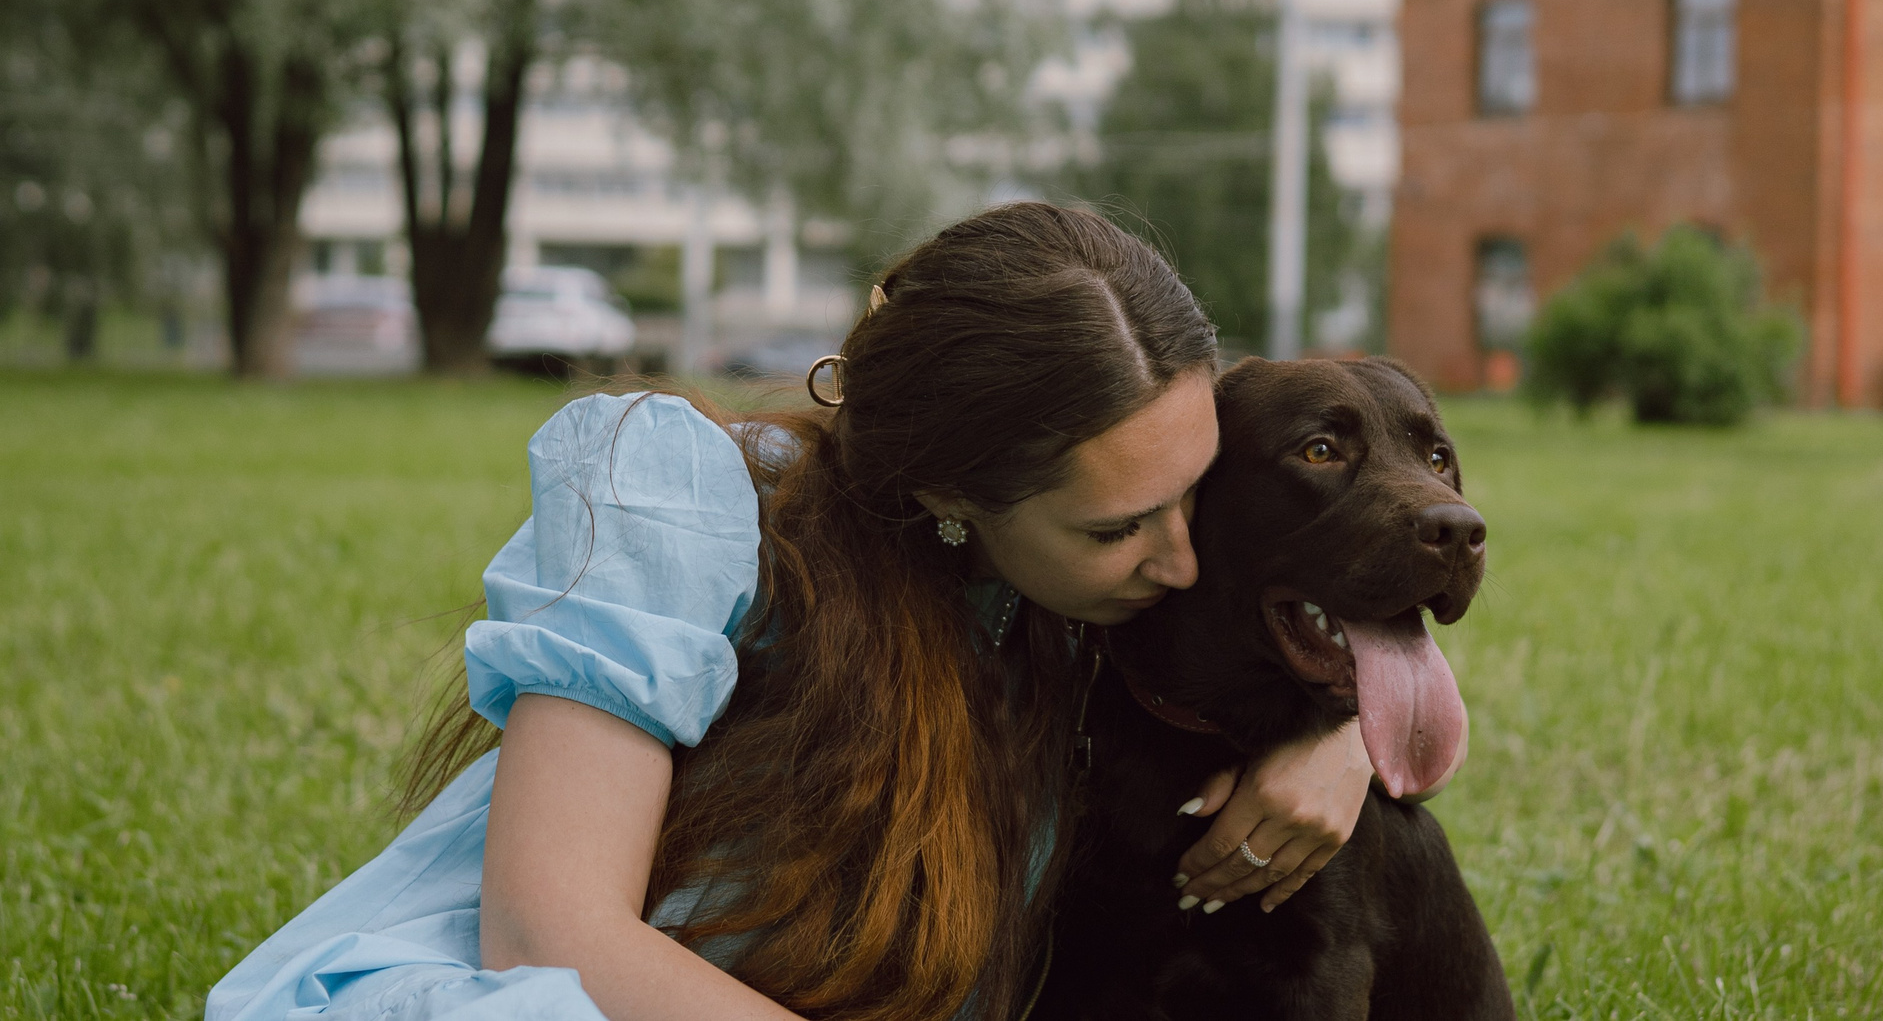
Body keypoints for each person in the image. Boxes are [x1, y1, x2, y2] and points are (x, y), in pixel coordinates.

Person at [207, 203, 1380, 1021]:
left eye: (1194, 496)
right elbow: (546, 929)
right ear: (949, 492)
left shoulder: (1096, 597)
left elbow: (1345, 588)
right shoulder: (695, 500)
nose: (1179, 561)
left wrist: (1346, 739)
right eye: (1117, 526)